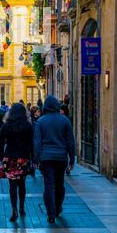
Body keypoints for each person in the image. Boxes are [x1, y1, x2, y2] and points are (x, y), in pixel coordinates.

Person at [34, 95, 75, 224]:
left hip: (46, 158)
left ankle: (50, 213)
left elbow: (37, 142)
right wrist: (72, 159)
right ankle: (57, 208)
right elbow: (70, 142)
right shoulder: (65, 121)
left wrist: (35, 159)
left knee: (49, 185)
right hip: (61, 157)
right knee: (59, 185)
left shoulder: (41, 121)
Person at [0, 103, 34, 222]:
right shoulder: (28, 126)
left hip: (10, 158)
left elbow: (1, 143)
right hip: (23, 158)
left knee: (12, 185)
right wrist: (32, 158)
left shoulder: (6, 126)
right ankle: (22, 207)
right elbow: (31, 144)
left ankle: (14, 208)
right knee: (22, 184)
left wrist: (1, 157)